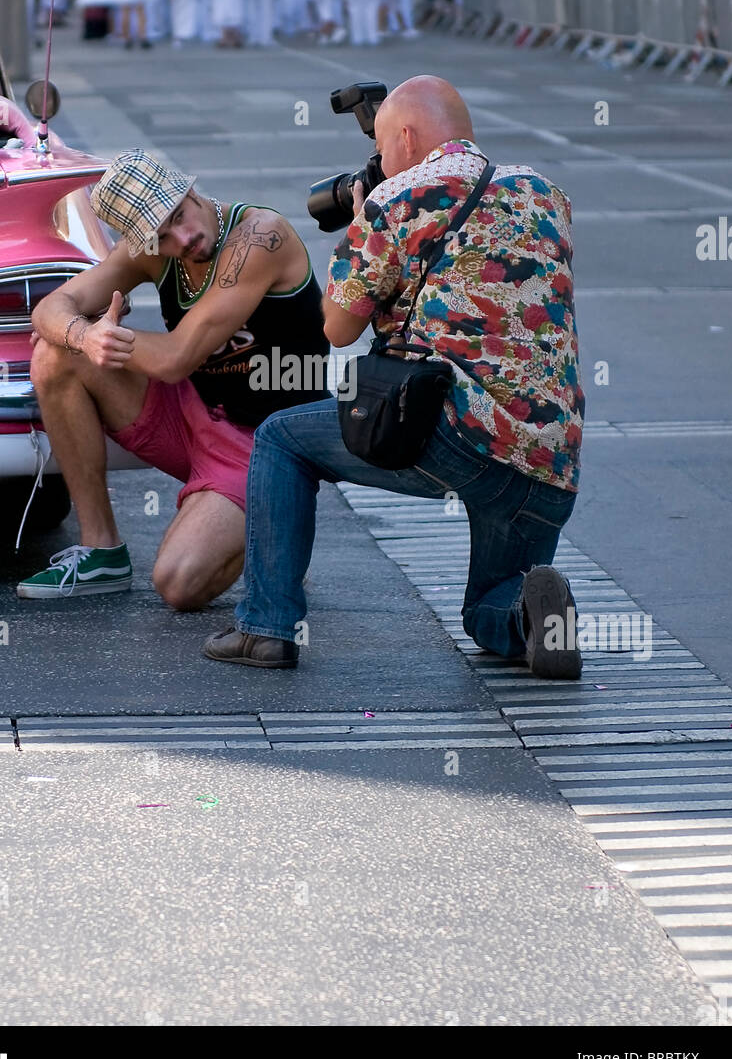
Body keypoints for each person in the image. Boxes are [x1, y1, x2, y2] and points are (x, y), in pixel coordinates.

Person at [205, 76, 584, 676]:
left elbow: (336, 328)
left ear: (405, 137)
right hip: (551, 457)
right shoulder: (545, 193)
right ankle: (528, 612)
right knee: (486, 606)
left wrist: (363, 224)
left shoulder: (402, 196)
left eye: (381, 149)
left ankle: (265, 627)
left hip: (457, 432)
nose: (379, 162)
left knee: (281, 439)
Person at [18, 151, 331, 606]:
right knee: (56, 354)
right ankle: (101, 550)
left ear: (189, 188)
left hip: (267, 441)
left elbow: (175, 359)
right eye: (161, 236)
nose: (183, 238)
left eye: (180, 216)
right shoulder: (150, 251)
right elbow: (49, 309)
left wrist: (105, 337)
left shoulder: (260, 237)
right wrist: (82, 336)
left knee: (178, 585)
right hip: (194, 414)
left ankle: (277, 520)